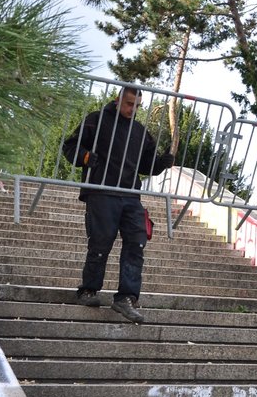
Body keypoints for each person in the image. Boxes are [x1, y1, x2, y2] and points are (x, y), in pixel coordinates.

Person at [62, 87, 174, 323]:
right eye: (129, 104)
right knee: (101, 240)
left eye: (137, 106)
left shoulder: (140, 131)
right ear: (118, 100)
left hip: (130, 194)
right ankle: (88, 289)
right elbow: (70, 146)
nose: (132, 110)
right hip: (101, 190)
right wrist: (85, 157)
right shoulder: (95, 120)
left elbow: (147, 165)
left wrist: (162, 163)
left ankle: (126, 297)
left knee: (137, 242)